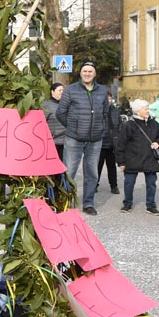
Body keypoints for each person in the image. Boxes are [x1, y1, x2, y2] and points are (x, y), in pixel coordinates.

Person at [56, 61, 109, 216]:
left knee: (92, 173)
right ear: (80, 73)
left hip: (95, 139)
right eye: (85, 71)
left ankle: (88, 203)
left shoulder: (102, 90)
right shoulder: (71, 90)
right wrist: (73, 127)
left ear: (95, 73)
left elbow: (105, 112)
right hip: (74, 138)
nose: (87, 73)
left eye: (90, 71)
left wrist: (101, 128)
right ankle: (65, 203)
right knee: (69, 171)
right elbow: (61, 112)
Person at [116, 98, 159, 215]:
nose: (148, 111)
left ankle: (151, 205)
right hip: (132, 159)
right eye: (145, 109)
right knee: (129, 183)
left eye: (148, 108)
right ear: (138, 111)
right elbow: (121, 144)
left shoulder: (154, 124)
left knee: (151, 183)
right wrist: (121, 162)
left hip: (150, 158)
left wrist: (158, 142)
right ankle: (127, 203)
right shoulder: (129, 125)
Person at [97, 94, 120, 195]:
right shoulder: (98, 110)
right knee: (97, 166)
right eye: (107, 99)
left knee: (112, 166)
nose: (109, 100)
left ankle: (114, 186)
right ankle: (94, 184)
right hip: (100, 142)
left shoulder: (115, 110)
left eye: (110, 98)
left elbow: (119, 125)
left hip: (112, 143)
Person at [43, 83, 67, 161]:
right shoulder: (46, 105)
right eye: (59, 90)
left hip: (66, 142)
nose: (62, 92)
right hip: (53, 142)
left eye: (63, 90)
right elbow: (42, 123)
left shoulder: (67, 104)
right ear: (52, 92)